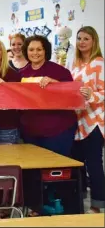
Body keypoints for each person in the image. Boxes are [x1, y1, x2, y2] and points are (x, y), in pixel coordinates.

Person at [18, 35, 77, 157]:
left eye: (39, 49)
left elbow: (73, 95)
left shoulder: (60, 71)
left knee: (56, 169)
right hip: (31, 132)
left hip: (58, 130)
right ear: (26, 51)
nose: (35, 53)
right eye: (31, 49)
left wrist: (56, 85)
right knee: (34, 170)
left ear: (46, 51)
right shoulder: (21, 74)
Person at [69, 26, 104, 213]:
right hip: (77, 121)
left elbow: (104, 93)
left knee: (94, 164)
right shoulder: (76, 65)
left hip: (94, 121)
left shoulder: (99, 63)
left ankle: (97, 205)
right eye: (79, 38)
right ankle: (79, 201)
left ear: (94, 41)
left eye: (86, 39)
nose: (82, 42)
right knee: (78, 163)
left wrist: (91, 95)